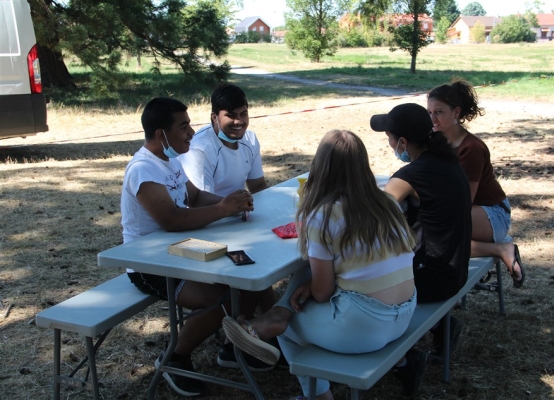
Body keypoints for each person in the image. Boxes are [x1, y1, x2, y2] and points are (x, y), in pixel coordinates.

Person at [221, 130, 418, 400]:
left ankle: (317, 393)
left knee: (289, 328)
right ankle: (277, 314)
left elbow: (323, 292)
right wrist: (310, 284)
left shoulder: (323, 215)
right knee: (306, 273)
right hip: (405, 313)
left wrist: (312, 286)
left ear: (320, 167)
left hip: (364, 327)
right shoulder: (387, 203)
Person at [121, 97, 269, 397]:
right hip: (150, 265)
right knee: (228, 294)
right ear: (161, 134)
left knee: (252, 280)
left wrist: (233, 203)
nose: (191, 133)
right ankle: (174, 357)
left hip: (185, 251)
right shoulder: (142, 169)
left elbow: (196, 198)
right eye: (183, 126)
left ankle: (231, 347)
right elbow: (172, 219)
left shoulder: (169, 158)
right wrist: (224, 209)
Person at [370, 103, 473, 395]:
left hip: (433, 279)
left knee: (363, 283)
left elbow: (373, 217)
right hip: (456, 269)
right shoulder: (448, 160)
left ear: (403, 142)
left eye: (389, 136)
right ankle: (443, 327)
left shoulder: (410, 174)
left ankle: (404, 360)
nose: (389, 143)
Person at [427, 79, 525, 288]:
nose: (433, 119)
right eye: (429, 113)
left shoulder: (471, 148)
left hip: (492, 213)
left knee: (433, 234)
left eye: (439, 112)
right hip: (464, 211)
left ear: (456, 113)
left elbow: (464, 200)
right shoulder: (436, 141)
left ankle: (501, 249)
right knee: (427, 238)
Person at [178, 83, 268, 197]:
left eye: (243, 114)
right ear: (214, 117)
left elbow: (258, 186)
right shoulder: (199, 150)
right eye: (231, 115)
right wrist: (236, 208)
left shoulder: (250, 140)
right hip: (211, 212)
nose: (238, 121)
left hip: (239, 209)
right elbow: (201, 202)